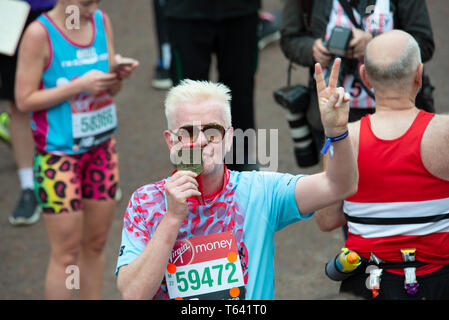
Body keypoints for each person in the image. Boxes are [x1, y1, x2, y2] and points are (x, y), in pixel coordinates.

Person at [115, 58, 358, 300]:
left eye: (212, 132)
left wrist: (337, 133)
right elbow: (132, 295)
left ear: (229, 138)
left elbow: (339, 185)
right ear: (171, 141)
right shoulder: (146, 201)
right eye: (188, 132)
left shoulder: (259, 191)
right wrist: (171, 219)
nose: (200, 141)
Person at [15, 0, 138, 299]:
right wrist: (78, 85)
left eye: (97, 1)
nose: (91, 8)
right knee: (66, 253)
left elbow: (110, 90)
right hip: (59, 157)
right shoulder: (38, 34)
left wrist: (116, 77)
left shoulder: (101, 21)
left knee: (96, 244)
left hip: (101, 151)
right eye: (85, 3)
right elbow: (24, 99)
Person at [315, 30, 449, 300]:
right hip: (439, 280)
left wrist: (333, 136)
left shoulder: (344, 140)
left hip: (371, 282)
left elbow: (327, 219)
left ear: (365, 77)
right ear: (419, 74)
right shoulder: (445, 132)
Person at [280, 0, 435, 154]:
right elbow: (289, 39)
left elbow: (424, 43)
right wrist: (312, 49)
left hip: (397, 117)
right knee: (339, 176)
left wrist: (374, 42)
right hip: (332, 115)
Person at [163, 0, 262, 172]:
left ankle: (241, 172)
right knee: (187, 99)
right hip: (185, 12)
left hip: (240, 10)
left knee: (240, 95)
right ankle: (189, 172)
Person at [0, 0, 56, 226]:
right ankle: (28, 187)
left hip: (56, 8)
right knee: (18, 101)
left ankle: (84, 171)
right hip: (10, 12)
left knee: (68, 87)